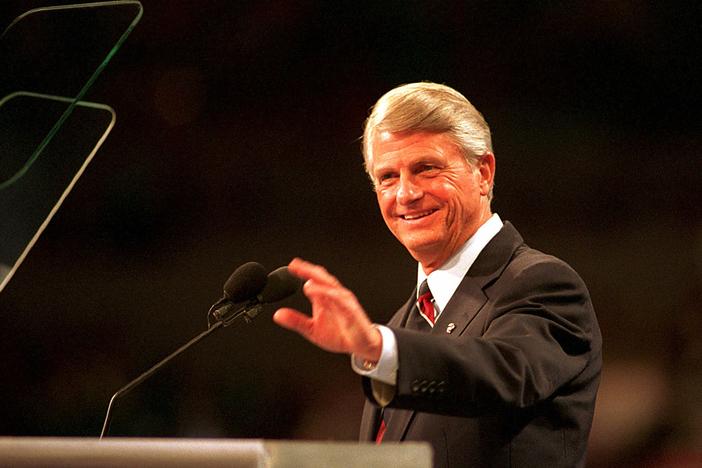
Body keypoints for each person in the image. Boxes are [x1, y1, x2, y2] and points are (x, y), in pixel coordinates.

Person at [273, 82, 602, 467]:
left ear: (483, 171)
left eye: (426, 169)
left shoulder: (543, 284)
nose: (405, 194)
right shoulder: (405, 322)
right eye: (388, 178)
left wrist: (380, 348)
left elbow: (497, 373)